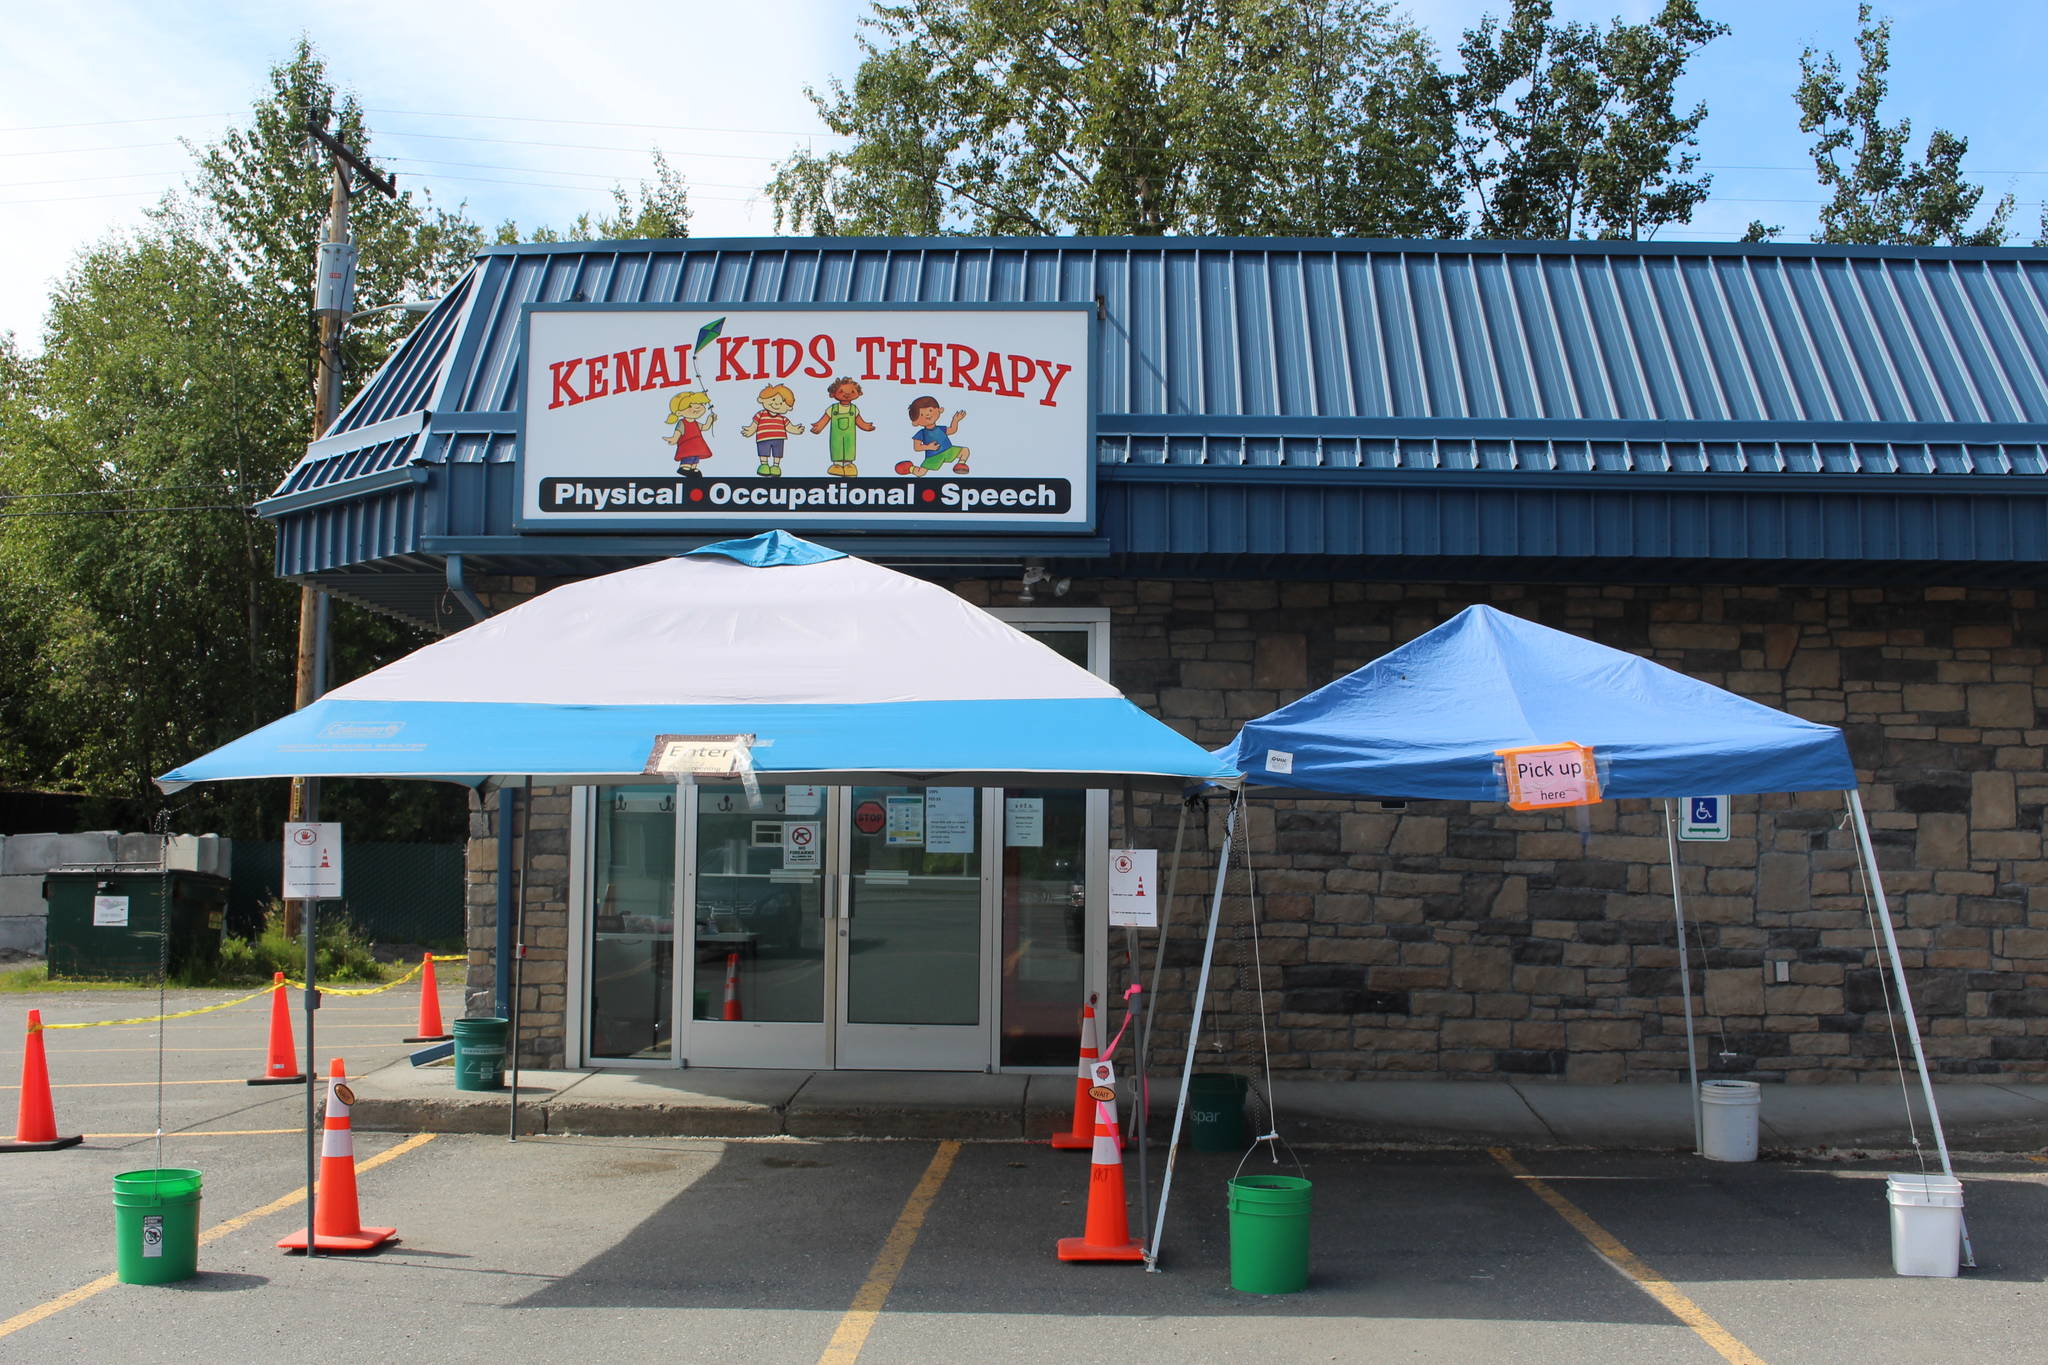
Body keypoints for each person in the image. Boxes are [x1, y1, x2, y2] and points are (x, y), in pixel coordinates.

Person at [809, 377, 874, 477]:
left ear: (858, 393)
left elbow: (859, 421)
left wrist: (866, 426)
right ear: (833, 393)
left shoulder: (853, 409)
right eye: (841, 391)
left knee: (849, 448)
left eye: (852, 391)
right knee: (837, 448)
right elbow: (825, 419)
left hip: (850, 436)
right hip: (836, 436)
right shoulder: (833, 408)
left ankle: (849, 465)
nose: (847, 394)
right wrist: (819, 427)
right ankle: (837, 466)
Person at [897, 396, 971, 476]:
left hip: (948, 450)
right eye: (922, 414)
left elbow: (952, 430)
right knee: (921, 473)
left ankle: (960, 465)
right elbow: (917, 447)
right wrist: (928, 447)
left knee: (965, 451)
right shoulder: (921, 433)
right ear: (915, 422)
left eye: (930, 410)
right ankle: (910, 468)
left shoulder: (941, 428)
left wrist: (955, 420)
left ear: (940, 410)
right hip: (933, 456)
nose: (928, 415)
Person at [741, 383, 800, 477]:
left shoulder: (782, 418)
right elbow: (754, 424)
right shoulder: (761, 414)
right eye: (773, 399)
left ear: (788, 407)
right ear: (763, 399)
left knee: (778, 453)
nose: (776, 404)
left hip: (779, 439)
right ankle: (764, 464)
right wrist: (750, 430)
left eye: (781, 403)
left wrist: (796, 430)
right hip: (763, 438)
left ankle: (776, 466)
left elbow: (789, 427)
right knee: (763, 451)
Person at [663, 390, 716, 475]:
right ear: (679, 412)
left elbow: (705, 427)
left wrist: (710, 420)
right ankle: (684, 468)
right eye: (690, 406)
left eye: (700, 404)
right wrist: (674, 439)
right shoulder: (682, 423)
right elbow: (678, 432)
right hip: (687, 446)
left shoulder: (695, 423)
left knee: (695, 458)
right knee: (689, 457)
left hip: (697, 445)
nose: (697, 407)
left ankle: (693, 468)